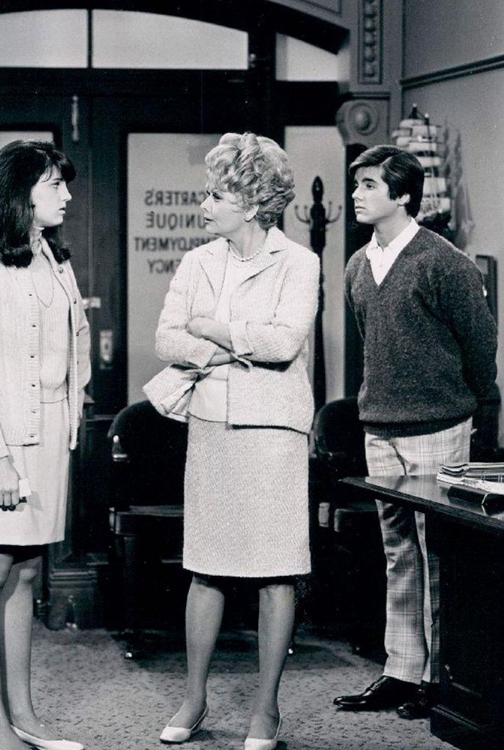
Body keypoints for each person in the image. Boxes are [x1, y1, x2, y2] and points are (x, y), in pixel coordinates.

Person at [146, 132, 319, 750]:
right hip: (213, 427)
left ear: (251, 202)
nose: (204, 205)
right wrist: (235, 346)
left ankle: (266, 710)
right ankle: (194, 699)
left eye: (216, 194)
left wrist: (213, 329)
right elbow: (168, 340)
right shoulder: (198, 261)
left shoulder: (300, 262)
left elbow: (284, 343)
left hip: (273, 434)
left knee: (276, 573)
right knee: (207, 568)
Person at [333, 145, 497, 719]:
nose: (357, 194)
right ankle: (401, 671)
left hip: (439, 423)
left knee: (437, 551)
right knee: (398, 552)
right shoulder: (357, 265)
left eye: (370, 185)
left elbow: (481, 344)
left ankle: (439, 678)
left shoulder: (443, 261)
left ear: (402, 195)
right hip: (380, 424)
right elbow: (369, 345)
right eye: (357, 185)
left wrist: (486, 408)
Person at [0, 140, 91, 750]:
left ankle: (24, 717)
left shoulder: (57, 263)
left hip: (47, 439)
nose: (65, 194)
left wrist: (71, 420)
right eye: (55, 184)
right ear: (21, 193)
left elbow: (75, 346)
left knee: (28, 570)